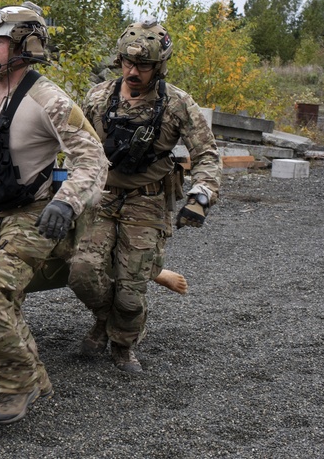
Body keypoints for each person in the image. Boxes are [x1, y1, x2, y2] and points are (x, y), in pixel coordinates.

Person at [0, 5, 107, 425]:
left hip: (36, 217)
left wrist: (67, 201)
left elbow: (93, 159)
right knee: (6, 300)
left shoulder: (49, 100)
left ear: (26, 43)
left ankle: (16, 384)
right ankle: (37, 378)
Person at [69, 21, 221, 374]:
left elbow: (207, 154)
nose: (133, 72)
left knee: (131, 288)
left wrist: (200, 197)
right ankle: (107, 320)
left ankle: (122, 344)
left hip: (147, 201)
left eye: (143, 65)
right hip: (102, 197)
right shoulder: (98, 97)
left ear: (160, 66)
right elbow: (76, 146)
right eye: (126, 63)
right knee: (82, 273)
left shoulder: (176, 104)